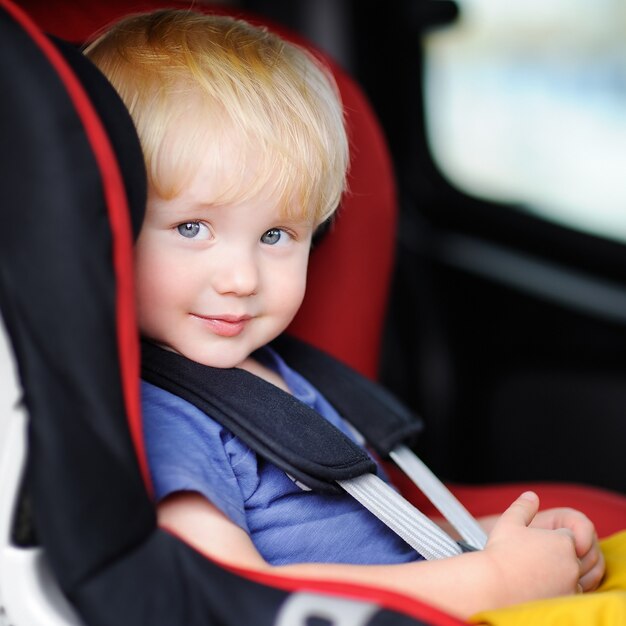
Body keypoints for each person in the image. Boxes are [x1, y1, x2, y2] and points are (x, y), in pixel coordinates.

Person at [84, 9, 606, 620]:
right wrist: (488, 582)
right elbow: (224, 592)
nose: (242, 278)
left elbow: (362, 538)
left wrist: (498, 541)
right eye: (193, 227)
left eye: (276, 235)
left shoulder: (278, 371)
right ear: (109, 226)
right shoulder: (166, 416)